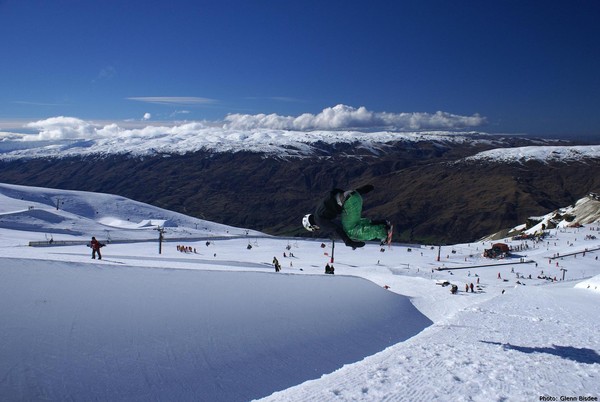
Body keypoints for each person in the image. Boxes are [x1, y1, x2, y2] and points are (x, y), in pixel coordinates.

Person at [302, 185, 391, 248]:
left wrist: (348, 242)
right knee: (352, 224)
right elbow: (339, 196)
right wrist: (360, 190)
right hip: (353, 196)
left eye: (315, 229)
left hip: (349, 203)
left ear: (312, 225)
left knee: (350, 231)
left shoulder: (319, 220)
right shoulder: (320, 211)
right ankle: (381, 223)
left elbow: (336, 229)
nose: (318, 228)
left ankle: (382, 232)